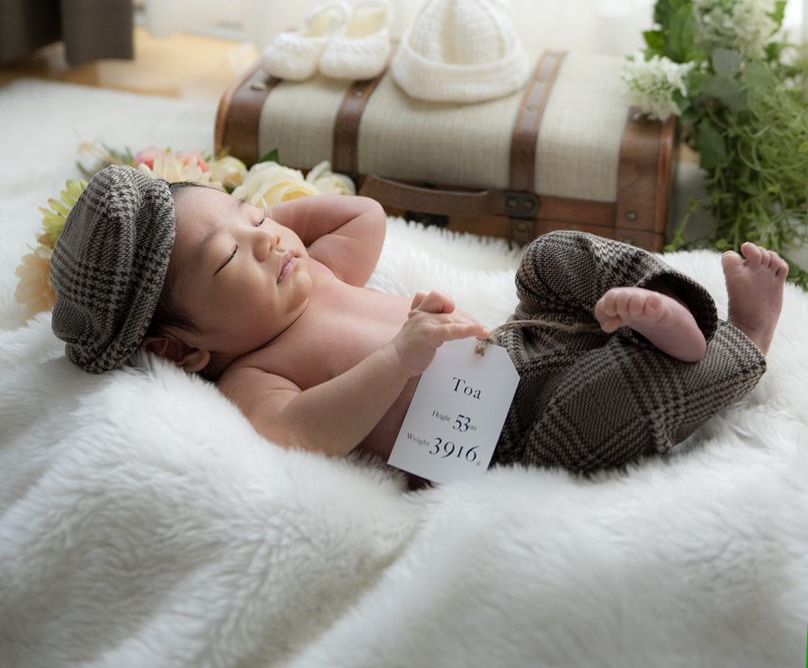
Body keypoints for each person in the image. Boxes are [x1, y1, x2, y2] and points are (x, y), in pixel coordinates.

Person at [49, 165, 787, 476]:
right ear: (177, 350)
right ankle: (741, 340)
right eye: (226, 257)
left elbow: (364, 214)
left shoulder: (317, 273)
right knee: (604, 403)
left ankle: (657, 306)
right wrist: (398, 358)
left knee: (551, 257)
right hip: (514, 435)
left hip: (521, 338)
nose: (267, 239)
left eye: (255, 216)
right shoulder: (254, 376)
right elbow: (308, 432)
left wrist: (256, 225)